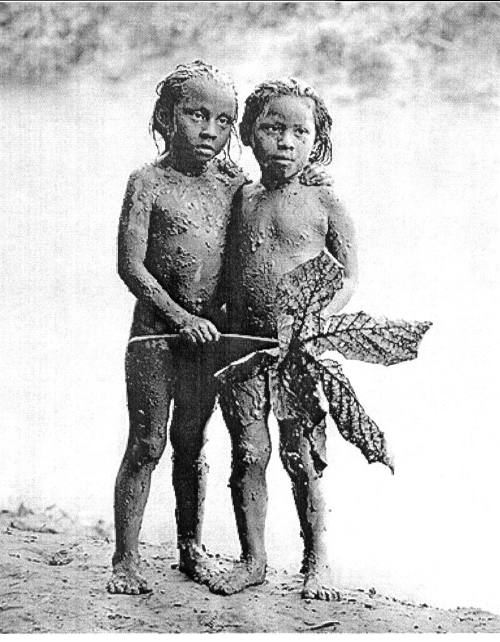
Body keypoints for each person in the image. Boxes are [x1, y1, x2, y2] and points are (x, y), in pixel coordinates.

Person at [107, 63, 331, 595]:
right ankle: (125, 559)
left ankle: (190, 549)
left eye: (223, 120)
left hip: (215, 340)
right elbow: (130, 266)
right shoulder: (148, 181)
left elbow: (270, 224)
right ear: (165, 117)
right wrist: (180, 317)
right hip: (158, 336)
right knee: (146, 443)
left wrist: (311, 177)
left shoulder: (235, 185)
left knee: (191, 442)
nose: (209, 129)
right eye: (195, 115)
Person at [208, 78, 358, 601]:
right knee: (248, 452)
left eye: (300, 131)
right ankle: (252, 559)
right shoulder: (240, 197)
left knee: (300, 455)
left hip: (299, 350)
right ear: (249, 134)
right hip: (242, 346)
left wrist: (318, 319)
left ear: (316, 141)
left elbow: (349, 275)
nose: (286, 142)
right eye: (273, 129)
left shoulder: (325, 201)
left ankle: (317, 563)